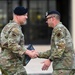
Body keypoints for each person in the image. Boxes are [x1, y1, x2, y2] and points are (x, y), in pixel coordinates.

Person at [0, 6, 38, 75]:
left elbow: (7, 44)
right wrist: (27, 52)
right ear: (17, 16)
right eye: (24, 15)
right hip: (11, 63)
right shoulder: (15, 28)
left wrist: (27, 51)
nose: (26, 17)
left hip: (5, 62)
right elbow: (12, 45)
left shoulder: (8, 26)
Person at [38, 10, 75, 75]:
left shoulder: (58, 29)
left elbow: (60, 48)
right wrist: (38, 54)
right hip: (65, 66)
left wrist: (50, 60)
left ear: (53, 19)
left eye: (47, 19)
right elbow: (54, 50)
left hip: (63, 67)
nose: (46, 21)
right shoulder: (60, 28)